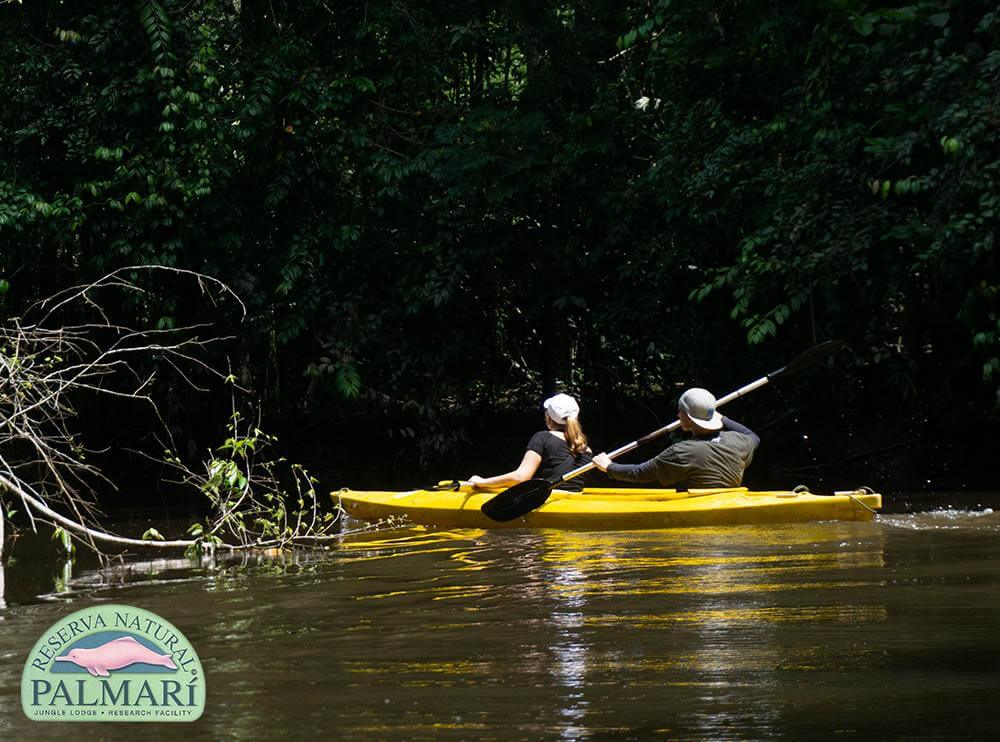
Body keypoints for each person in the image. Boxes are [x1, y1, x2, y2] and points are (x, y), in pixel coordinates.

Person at [592, 387, 759, 489]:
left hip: (698, 506)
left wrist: (609, 467)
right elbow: (752, 436)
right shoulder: (739, 441)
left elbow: (639, 473)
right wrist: (718, 416)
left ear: (687, 417)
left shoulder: (681, 451)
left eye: (680, 411)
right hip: (728, 501)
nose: (678, 415)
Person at [468, 393, 594, 492]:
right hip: (572, 503)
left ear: (548, 417)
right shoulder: (586, 449)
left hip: (545, 502)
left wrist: (481, 482)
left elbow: (520, 478)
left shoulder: (543, 437)